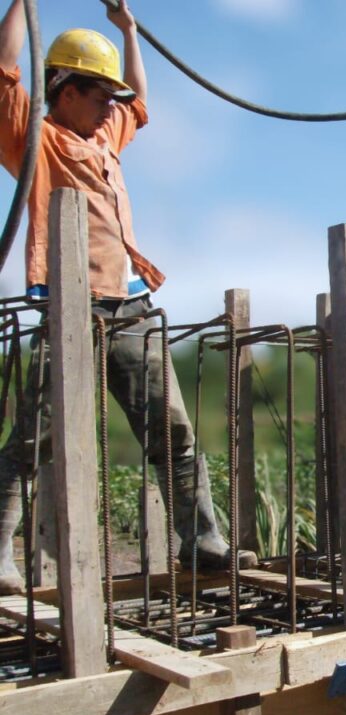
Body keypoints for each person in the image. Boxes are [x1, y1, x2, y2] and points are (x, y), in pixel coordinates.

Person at [0, 0, 256, 595]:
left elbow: (139, 100)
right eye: (99, 96)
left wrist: (128, 31)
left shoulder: (105, 131)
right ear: (64, 89)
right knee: (33, 438)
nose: (110, 108)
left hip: (133, 309)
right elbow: (5, 67)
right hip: (71, 309)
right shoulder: (33, 137)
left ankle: (201, 539)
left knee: (174, 432)